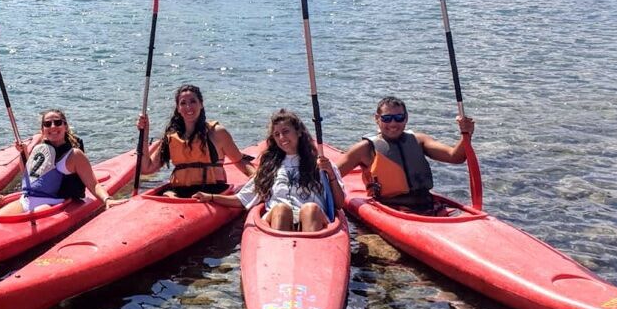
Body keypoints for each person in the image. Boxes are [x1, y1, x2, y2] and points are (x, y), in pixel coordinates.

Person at [206, 110, 344, 232]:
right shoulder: (269, 167)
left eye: (286, 132)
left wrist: (330, 174)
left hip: (314, 221)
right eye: (277, 134)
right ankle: (279, 250)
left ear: (299, 132)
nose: (282, 138)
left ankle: (311, 252)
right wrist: (211, 197)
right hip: (278, 221)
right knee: (281, 209)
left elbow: (339, 204)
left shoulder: (321, 164)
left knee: (310, 209)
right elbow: (242, 199)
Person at [335, 95, 475, 213]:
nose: (393, 123)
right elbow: (330, 175)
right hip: (390, 208)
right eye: (387, 118)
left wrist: (466, 135)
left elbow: (455, 157)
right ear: (377, 118)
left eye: (399, 117)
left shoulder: (419, 140)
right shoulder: (364, 149)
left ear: (406, 118)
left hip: (428, 205)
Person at [0, 109, 121, 216]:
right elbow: (29, 177)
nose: (53, 126)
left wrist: (107, 199)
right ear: (43, 130)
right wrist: (23, 153)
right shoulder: (40, 149)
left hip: (53, 202)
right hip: (26, 200)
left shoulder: (74, 155)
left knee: (34, 215)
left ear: (65, 126)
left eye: (58, 122)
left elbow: (93, 184)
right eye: (47, 124)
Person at [135, 84, 254, 197]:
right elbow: (147, 168)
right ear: (178, 108)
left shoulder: (217, 132)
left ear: (201, 104)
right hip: (180, 192)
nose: (188, 107)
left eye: (193, 101)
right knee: (167, 194)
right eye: (183, 103)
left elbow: (239, 161)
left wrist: (257, 179)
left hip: (213, 191)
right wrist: (144, 133)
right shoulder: (171, 137)